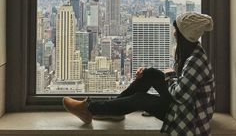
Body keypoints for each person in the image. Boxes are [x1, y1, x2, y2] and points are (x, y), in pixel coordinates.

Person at [63, 12, 215, 136]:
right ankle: (114, 110)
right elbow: (184, 85)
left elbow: (180, 95)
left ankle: (88, 109)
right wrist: (167, 75)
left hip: (187, 116)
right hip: (185, 105)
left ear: (184, 35)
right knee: (149, 74)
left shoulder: (196, 61)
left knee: (140, 99)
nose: (173, 33)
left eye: (176, 30)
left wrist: (171, 76)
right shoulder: (192, 51)